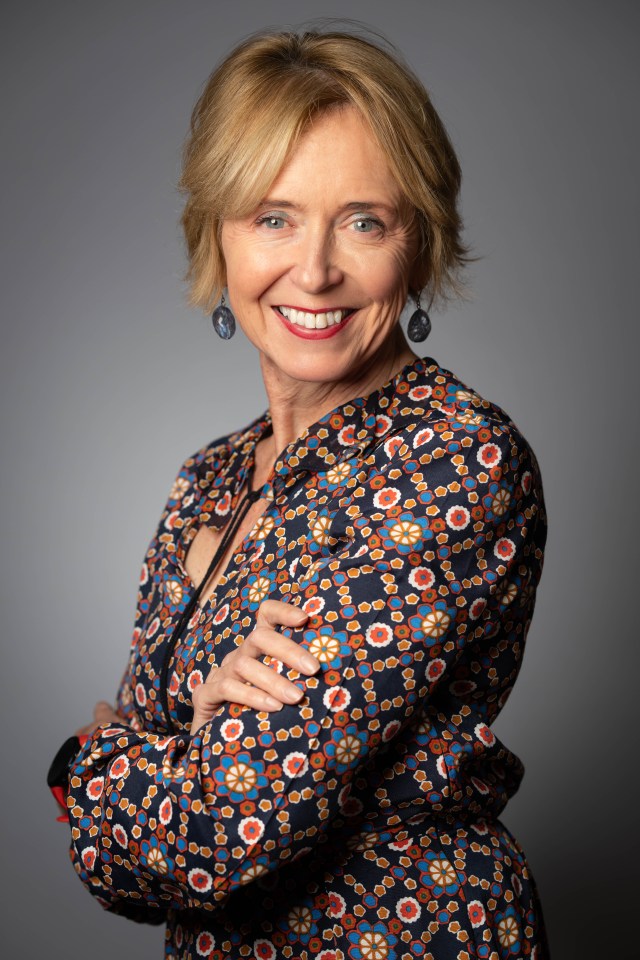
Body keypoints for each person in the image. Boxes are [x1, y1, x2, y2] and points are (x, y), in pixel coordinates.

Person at [49, 27, 550, 959]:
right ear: (219, 236)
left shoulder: (453, 462)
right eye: (272, 216)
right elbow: (147, 848)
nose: (314, 270)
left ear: (419, 240)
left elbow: (214, 833)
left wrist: (85, 766)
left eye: (364, 220)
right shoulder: (208, 479)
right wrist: (186, 753)